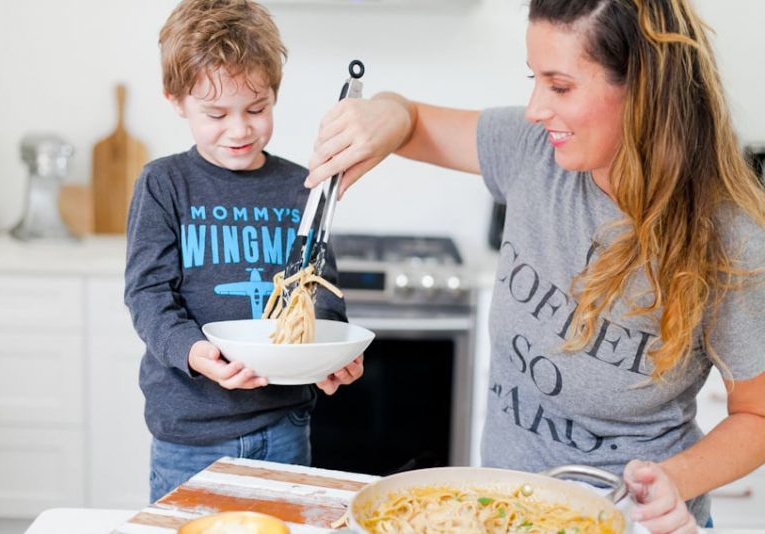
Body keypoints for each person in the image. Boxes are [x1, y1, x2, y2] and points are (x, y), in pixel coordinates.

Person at [305, 0, 765, 532]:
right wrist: (389, 109)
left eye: (560, 86)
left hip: (632, 520)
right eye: (535, 80)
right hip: (499, 514)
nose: (534, 108)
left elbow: (756, 415)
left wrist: (674, 480)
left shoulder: (728, 240)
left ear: (643, 89)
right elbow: (408, 122)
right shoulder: (533, 153)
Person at [124, 0, 363, 503]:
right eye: (216, 113)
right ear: (176, 101)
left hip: (283, 423)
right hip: (190, 431)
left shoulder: (303, 184)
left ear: (274, 95)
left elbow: (321, 288)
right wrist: (193, 350)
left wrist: (331, 349)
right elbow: (147, 294)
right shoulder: (165, 183)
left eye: (257, 109)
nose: (239, 129)